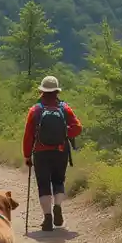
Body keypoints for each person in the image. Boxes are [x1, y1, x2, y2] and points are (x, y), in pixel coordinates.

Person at [22, 76, 82, 232]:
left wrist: (27, 155)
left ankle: (47, 218)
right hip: (60, 151)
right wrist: (64, 132)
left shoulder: (35, 110)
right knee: (58, 181)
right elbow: (77, 128)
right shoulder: (64, 108)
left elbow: (28, 136)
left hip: (40, 153)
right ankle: (58, 206)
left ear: (42, 91)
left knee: (43, 184)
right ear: (56, 91)